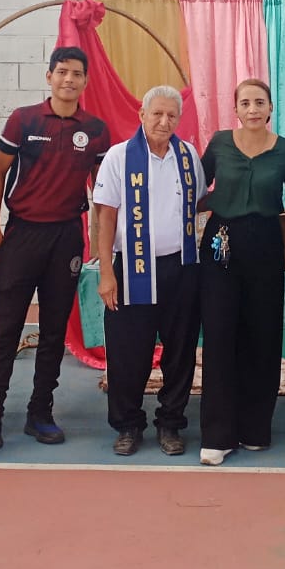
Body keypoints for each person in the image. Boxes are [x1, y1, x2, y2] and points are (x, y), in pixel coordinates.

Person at [0, 47, 111, 459]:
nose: (69, 79)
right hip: (22, 234)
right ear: (49, 76)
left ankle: (40, 412)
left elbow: (102, 191)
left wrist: (99, 241)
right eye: (62, 71)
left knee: (53, 332)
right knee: (5, 331)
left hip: (66, 238)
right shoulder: (24, 119)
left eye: (77, 73)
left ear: (85, 81)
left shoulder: (96, 130)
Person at [91, 87, 205, 456]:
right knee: (128, 352)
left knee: (180, 351)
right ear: (142, 114)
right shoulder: (119, 156)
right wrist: (106, 272)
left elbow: (199, 203)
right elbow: (105, 217)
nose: (164, 121)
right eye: (157, 113)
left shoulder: (188, 156)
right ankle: (128, 424)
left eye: (172, 115)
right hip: (132, 268)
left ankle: (171, 423)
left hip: (181, 267)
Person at [196, 78, 285, 466]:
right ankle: (218, 434)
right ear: (236, 109)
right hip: (221, 243)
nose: (253, 109)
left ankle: (256, 428)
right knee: (220, 335)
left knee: (263, 334)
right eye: (246, 103)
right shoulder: (219, 144)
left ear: (271, 108)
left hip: (267, 244)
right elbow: (193, 189)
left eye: (260, 102)